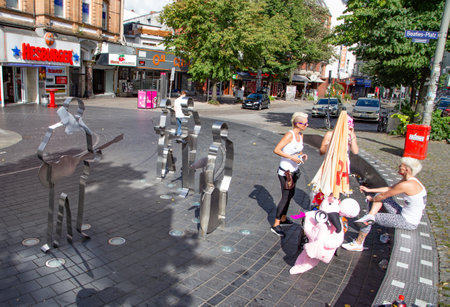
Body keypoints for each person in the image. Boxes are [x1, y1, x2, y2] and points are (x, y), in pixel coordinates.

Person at [342, 157, 427, 251]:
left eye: (401, 165)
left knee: (370, 218)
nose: (399, 166)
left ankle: (358, 243)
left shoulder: (407, 185)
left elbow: (384, 196)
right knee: (376, 200)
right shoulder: (410, 180)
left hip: (407, 221)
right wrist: (369, 190)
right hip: (405, 213)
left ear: (406, 169)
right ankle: (369, 216)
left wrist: (372, 199)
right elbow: (389, 189)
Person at [271, 112, 309, 237]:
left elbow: (298, 150)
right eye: (305, 123)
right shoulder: (289, 135)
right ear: (297, 124)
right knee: (285, 196)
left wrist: (301, 155)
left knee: (291, 194)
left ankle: (283, 218)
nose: (307, 125)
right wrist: (291, 157)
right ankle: (276, 224)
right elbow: (277, 150)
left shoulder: (301, 135)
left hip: (295, 171)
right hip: (285, 172)